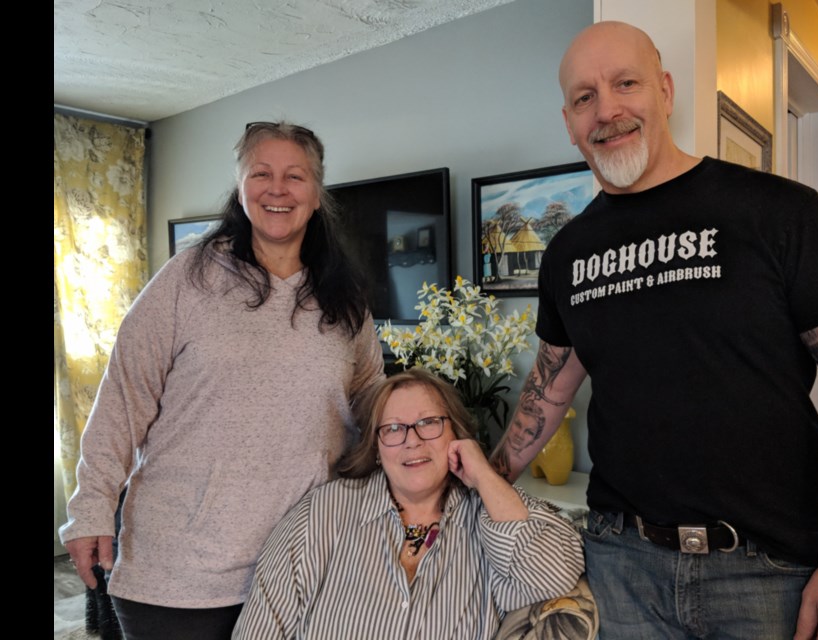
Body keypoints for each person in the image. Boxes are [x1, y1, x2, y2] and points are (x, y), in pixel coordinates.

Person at [489, 21, 818, 640]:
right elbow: (545, 394)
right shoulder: (567, 253)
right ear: (569, 120)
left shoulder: (779, 211)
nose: (606, 110)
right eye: (584, 97)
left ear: (664, 89)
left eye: (625, 83)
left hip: (770, 573)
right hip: (620, 567)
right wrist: (477, 485)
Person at [59, 121, 385, 639]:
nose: (277, 188)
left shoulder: (345, 300)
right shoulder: (186, 279)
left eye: (295, 176)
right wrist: (91, 508)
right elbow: (123, 399)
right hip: (179, 576)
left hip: (303, 567)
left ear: (317, 194)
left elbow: (372, 406)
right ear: (240, 187)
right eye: (261, 173)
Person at [232, 369, 585, 639]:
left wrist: (485, 477)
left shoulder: (488, 514)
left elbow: (551, 576)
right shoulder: (323, 513)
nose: (412, 441)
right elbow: (261, 628)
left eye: (429, 423)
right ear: (376, 445)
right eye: (394, 428)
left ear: (457, 434)